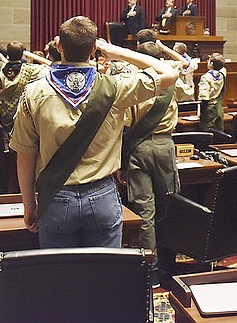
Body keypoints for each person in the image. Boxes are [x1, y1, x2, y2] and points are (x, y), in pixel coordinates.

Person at [11, 16, 178, 249]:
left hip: (56, 196)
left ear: (59, 46)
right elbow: (169, 73)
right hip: (102, 195)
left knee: (60, 276)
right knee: (103, 277)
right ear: (93, 49)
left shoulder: (33, 92)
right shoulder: (116, 86)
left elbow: (24, 157)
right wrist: (116, 51)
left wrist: (29, 206)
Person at [119, 40, 181, 286]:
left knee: (145, 212)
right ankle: (170, 264)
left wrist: (122, 163)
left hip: (139, 149)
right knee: (170, 207)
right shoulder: (172, 80)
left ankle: (151, 272)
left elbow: (124, 127)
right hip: (166, 146)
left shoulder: (134, 84)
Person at [0, 42, 51, 135]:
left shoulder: (0, 73)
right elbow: (50, 64)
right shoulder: (29, 70)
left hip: (6, 114)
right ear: (22, 54)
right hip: (24, 112)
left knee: (7, 142)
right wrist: (30, 55)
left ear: (8, 54)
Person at [197, 53, 226, 132]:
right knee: (219, 132)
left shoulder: (205, 77)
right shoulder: (222, 75)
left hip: (209, 109)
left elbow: (204, 97)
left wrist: (202, 113)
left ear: (211, 64)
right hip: (219, 107)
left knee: (207, 132)